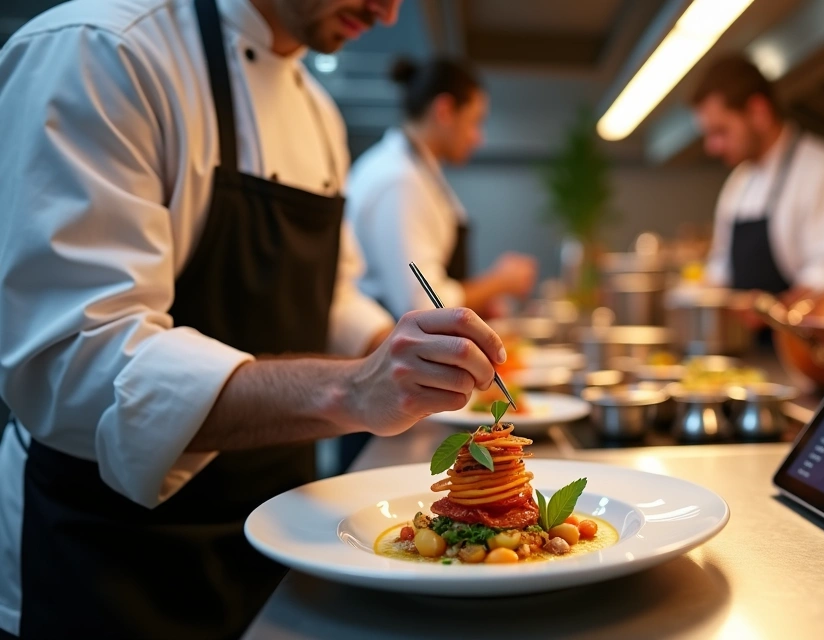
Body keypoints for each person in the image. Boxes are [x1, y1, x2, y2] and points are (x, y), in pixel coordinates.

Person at [0, 0, 509, 637]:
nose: (386, 13)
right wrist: (349, 388)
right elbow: (75, 362)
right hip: (108, 556)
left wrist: (401, 349)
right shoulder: (101, 50)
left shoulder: (316, 109)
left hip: (279, 535)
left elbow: (329, 293)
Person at [346, 57, 537, 320]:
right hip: (389, 351)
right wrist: (500, 282)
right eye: (475, 122)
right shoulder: (398, 180)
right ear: (445, 110)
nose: (478, 138)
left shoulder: (418, 171)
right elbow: (424, 303)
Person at [692, 55, 824, 305]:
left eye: (721, 131)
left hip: (802, 339)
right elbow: (721, 265)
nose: (712, 147)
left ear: (758, 112)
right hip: (745, 341)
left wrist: (770, 310)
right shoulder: (738, 182)